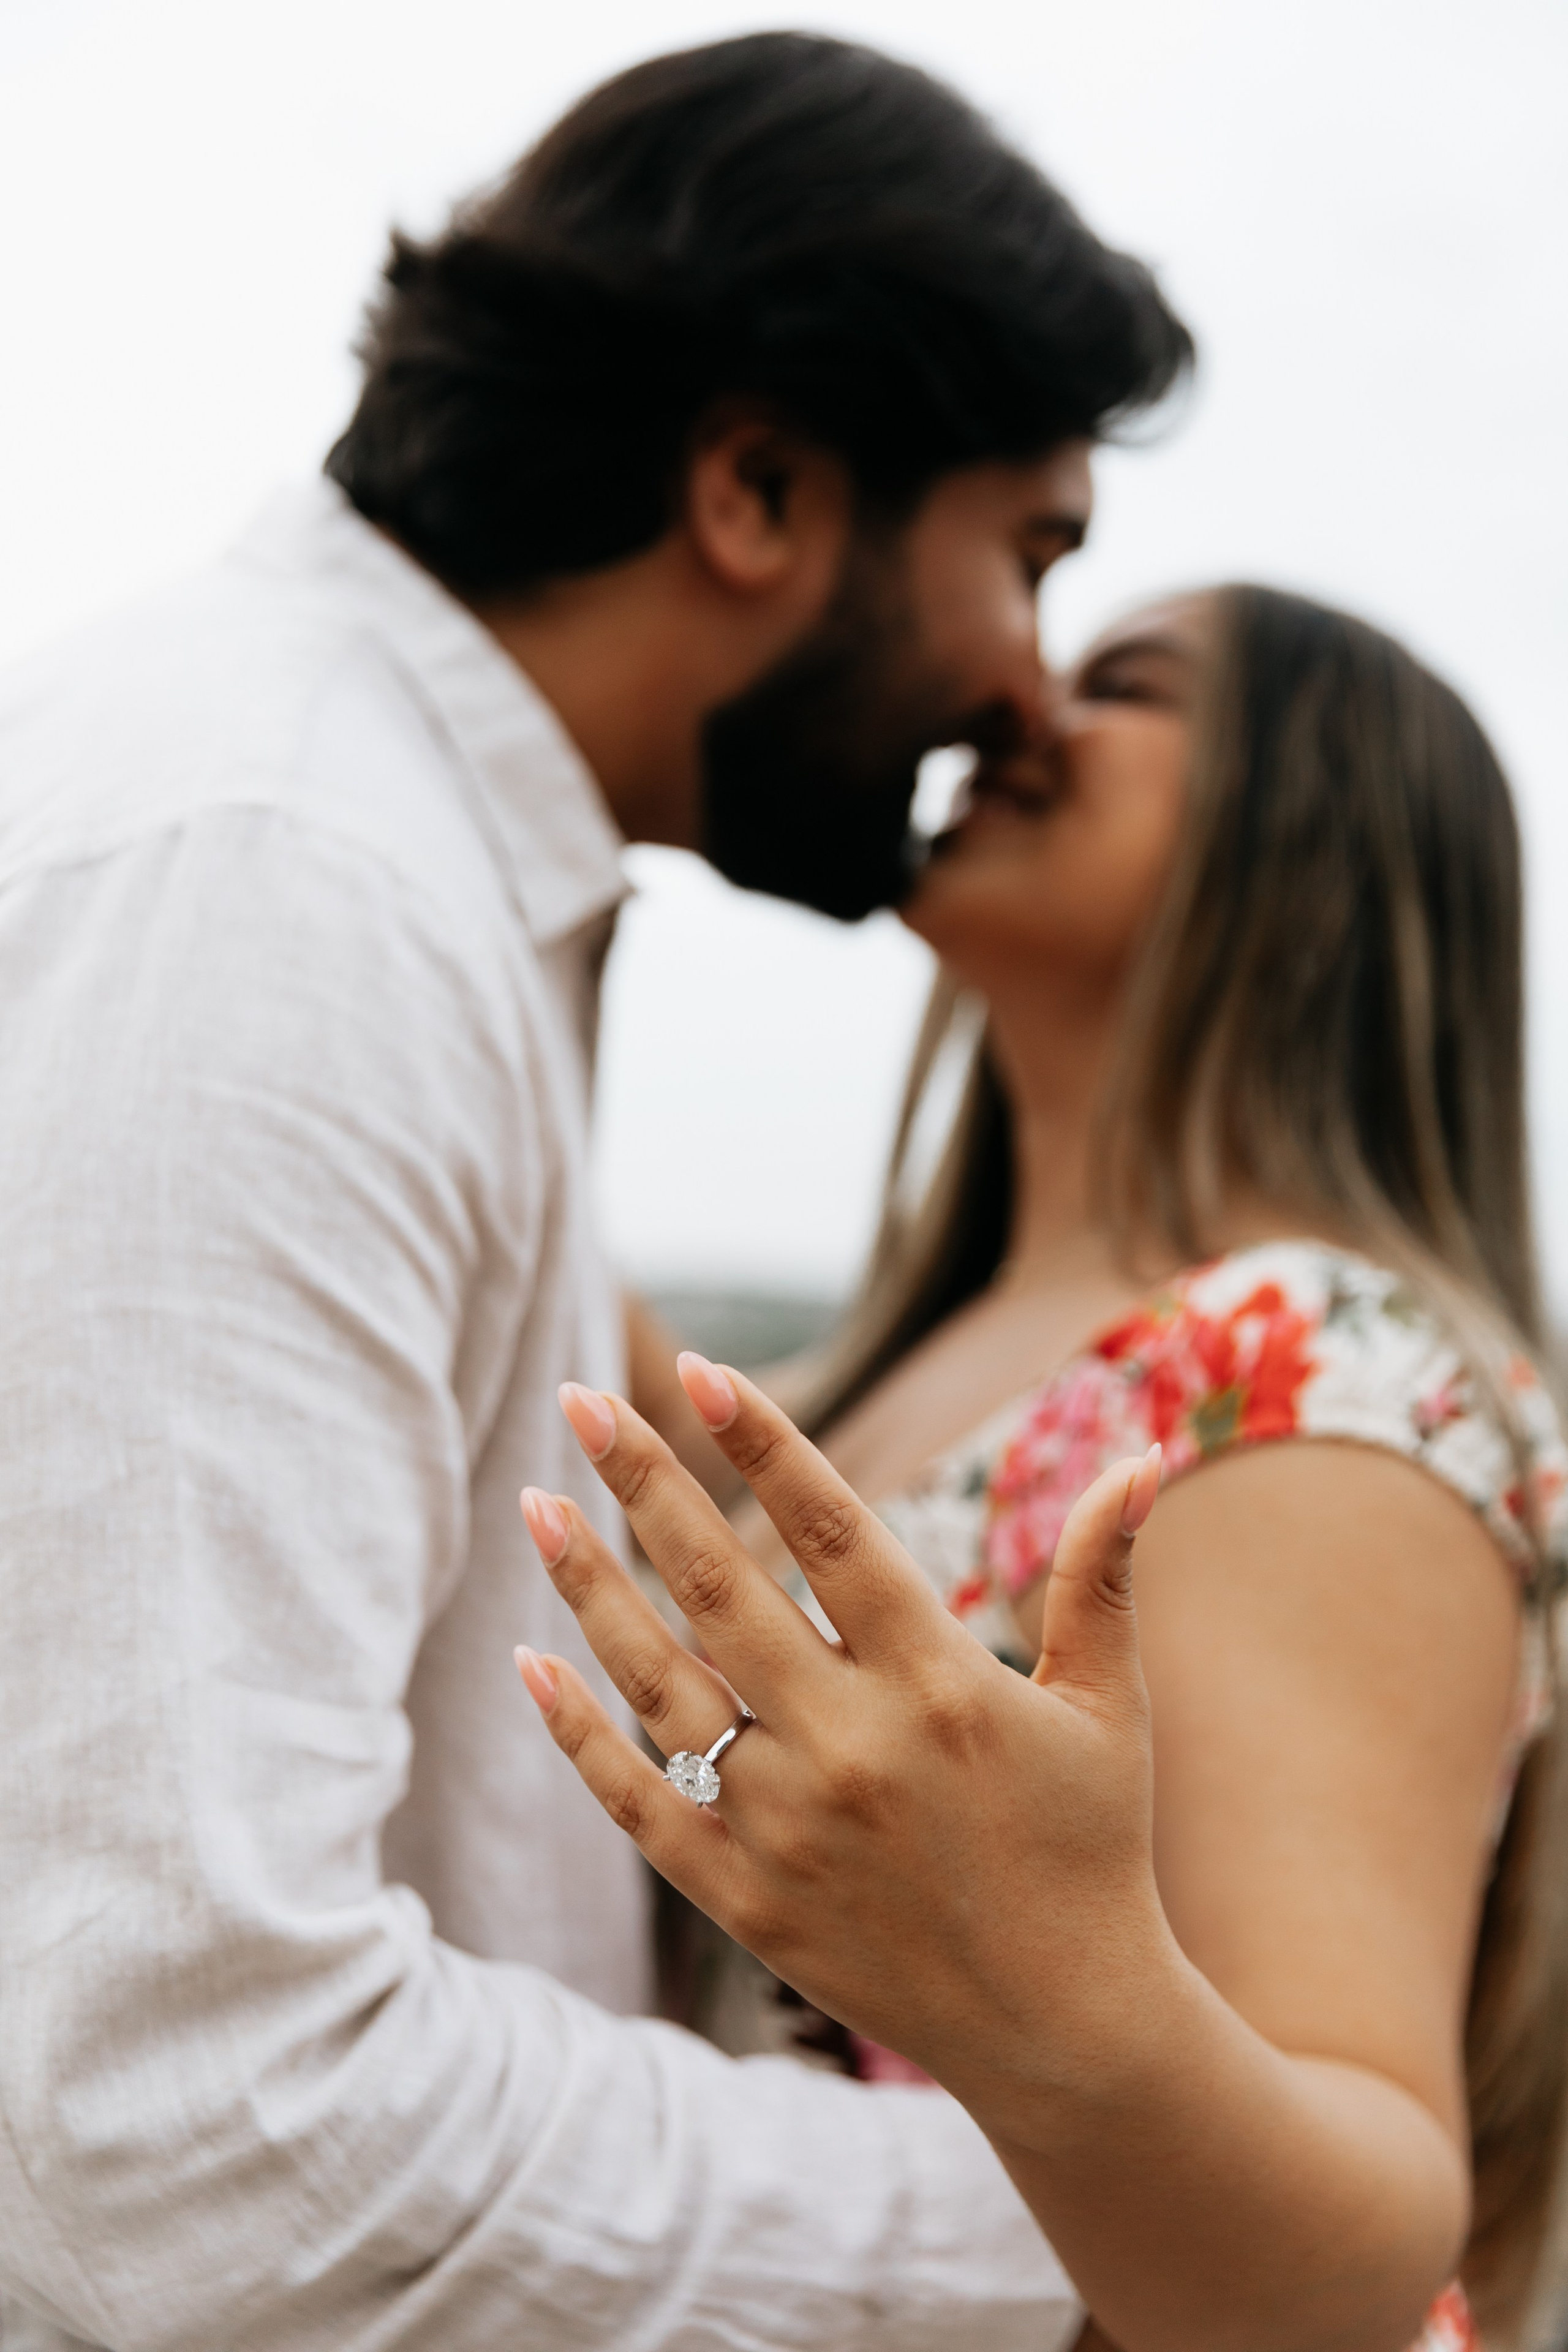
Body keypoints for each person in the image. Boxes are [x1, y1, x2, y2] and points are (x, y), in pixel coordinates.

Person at [0, 31, 1194, 2352]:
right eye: (1029, 555)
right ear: (755, 485)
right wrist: (1098, 2202)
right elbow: (182, 2123)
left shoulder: (381, 861)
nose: (1028, 688)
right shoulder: (283, 893)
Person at [516, 586, 1568, 2351]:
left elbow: (1367, 2249)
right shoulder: (922, 1360)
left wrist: (1038, 1982)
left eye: (1120, 688)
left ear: (1315, 831)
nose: (1009, 704)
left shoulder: (1310, 1370)